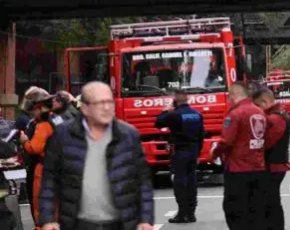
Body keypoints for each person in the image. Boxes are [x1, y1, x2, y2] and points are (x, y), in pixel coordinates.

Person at [38, 81, 154, 230]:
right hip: (78, 224)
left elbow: (143, 181)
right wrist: (48, 219)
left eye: (109, 102)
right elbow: (49, 180)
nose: (106, 107)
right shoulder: (63, 135)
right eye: (99, 103)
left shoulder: (129, 135)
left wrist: (146, 219)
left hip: (122, 224)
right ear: (85, 108)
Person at [213, 82, 269, 230]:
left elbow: (226, 141)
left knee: (235, 211)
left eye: (229, 97)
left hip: (238, 170)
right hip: (258, 168)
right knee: (255, 211)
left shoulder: (235, 114)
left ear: (234, 96)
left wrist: (214, 153)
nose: (229, 101)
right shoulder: (260, 113)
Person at [155, 89, 205, 224]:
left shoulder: (174, 115)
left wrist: (166, 109)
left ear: (175, 100)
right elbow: (201, 136)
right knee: (192, 181)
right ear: (188, 99)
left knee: (180, 182)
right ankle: (192, 213)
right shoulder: (197, 114)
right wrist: (198, 153)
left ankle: (182, 213)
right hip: (193, 150)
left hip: (180, 151)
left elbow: (158, 122)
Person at [253, 87, 290, 230]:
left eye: (257, 105)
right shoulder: (278, 114)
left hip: (273, 165)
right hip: (276, 164)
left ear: (264, 102)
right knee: (271, 201)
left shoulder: (275, 118)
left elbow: (267, 142)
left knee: (271, 202)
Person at [19, 90, 58, 230]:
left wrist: (24, 142)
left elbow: (34, 148)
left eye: (34, 110)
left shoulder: (43, 124)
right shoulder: (58, 119)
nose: (33, 113)